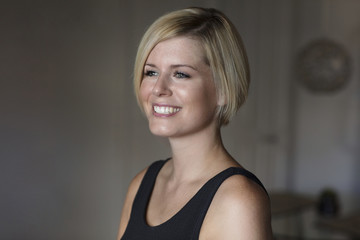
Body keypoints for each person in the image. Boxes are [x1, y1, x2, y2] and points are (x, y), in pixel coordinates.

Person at [117, 7, 273, 240]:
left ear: (223, 90)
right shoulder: (141, 184)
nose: (158, 89)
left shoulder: (237, 200)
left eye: (180, 74)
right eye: (150, 73)